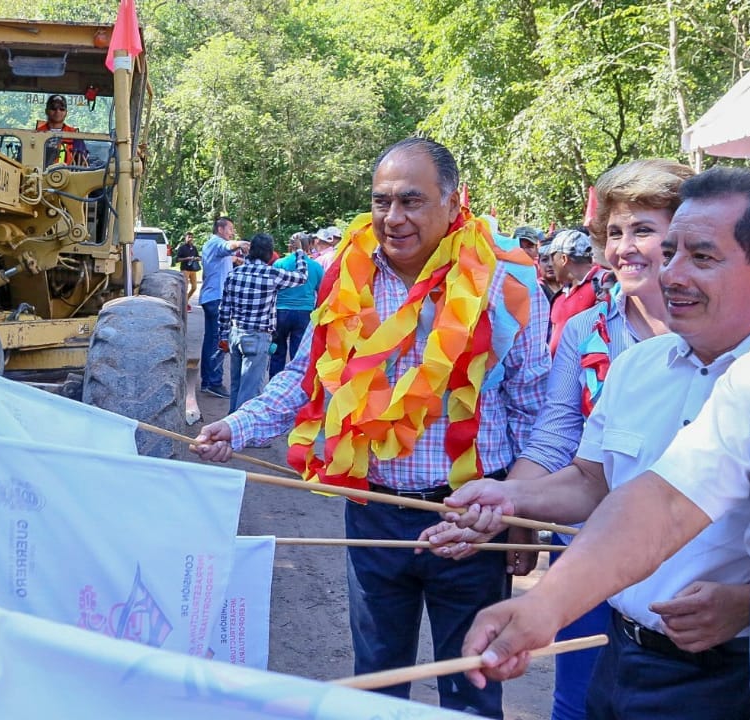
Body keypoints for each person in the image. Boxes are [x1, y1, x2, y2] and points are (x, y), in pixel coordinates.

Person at [193, 137, 550, 717]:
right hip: (372, 513)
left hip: (470, 522)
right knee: (376, 689)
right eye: (382, 201)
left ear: (453, 200)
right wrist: (235, 426)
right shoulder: (348, 275)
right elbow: (305, 379)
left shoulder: (503, 281)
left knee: (473, 687)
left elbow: (533, 406)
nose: (394, 217)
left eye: (412, 200)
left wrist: (524, 517)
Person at [436, 167, 750, 719]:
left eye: (701, 257)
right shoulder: (686, 370)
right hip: (623, 653)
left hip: (726, 674)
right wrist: (539, 589)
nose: (670, 273)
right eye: (670, 252)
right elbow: (655, 500)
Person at [426, 160, 693, 720]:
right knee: (580, 701)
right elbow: (562, 450)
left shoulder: (748, 342)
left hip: (700, 571)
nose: (625, 248)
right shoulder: (587, 331)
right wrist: (500, 506)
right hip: (591, 546)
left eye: (644, 229)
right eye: (614, 233)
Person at [217, 233, 307, 415]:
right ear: (269, 253)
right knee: (250, 389)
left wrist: (223, 336)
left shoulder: (234, 274)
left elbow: (224, 309)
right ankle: (242, 433)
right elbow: (302, 277)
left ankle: (230, 425)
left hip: (235, 335)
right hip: (258, 337)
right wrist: (299, 252)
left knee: (236, 384)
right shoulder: (272, 274)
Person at [199, 218, 249, 398]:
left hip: (212, 298)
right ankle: (214, 382)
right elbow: (227, 246)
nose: (232, 232)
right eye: (230, 229)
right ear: (220, 229)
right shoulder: (218, 243)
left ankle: (208, 381)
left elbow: (226, 255)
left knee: (211, 340)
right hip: (216, 299)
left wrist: (235, 259)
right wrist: (241, 244)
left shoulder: (213, 245)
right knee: (219, 341)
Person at [548, 228, 609, 355]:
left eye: (552, 258)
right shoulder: (560, 296)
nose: (550, 264)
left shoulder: (605, 284)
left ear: (563, 259)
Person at [270, 233, 324, 377]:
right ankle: (296, 387)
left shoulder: (280, 263)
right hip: (304, 313)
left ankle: (273, 387)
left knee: (277, 351)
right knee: (298, 355)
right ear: (310, 246)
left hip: (281, 312)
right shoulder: (316, 266)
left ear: (290, 245)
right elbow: (323, 292)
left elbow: (272, 289)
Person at [35, 94, 88, 167]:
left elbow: (83, 163)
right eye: (53, 108)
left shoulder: (74, 135)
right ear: (46, 111)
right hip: (40, 176)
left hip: (67, 177)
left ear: (66, 112)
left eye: (62, 109)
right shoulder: (36, 133)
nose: (57, 111)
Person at [173, 232, 201, 307]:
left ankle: (185, 301)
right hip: (185, 269)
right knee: (185, 287)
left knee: (194, 287)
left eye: (191, 237)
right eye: (189, 237)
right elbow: (177, 259)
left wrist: (197, 258)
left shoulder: (194, 248)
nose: (190, 239)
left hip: (193, 269)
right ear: (185, 238)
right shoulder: (182, 248)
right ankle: (183, 303)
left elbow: (198, 256)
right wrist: (187, 258)